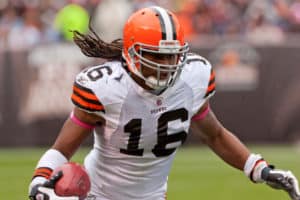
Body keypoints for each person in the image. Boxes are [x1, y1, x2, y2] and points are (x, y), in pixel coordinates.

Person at [28, 6, 300, 200]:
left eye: (172, 56)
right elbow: (62, 148)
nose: (166, 65)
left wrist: (260, 169)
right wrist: (40, 180)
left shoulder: (193, 78)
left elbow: (215, 135)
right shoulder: (106, 87)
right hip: (99, 193)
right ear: (132, 53)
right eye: (156, 56)